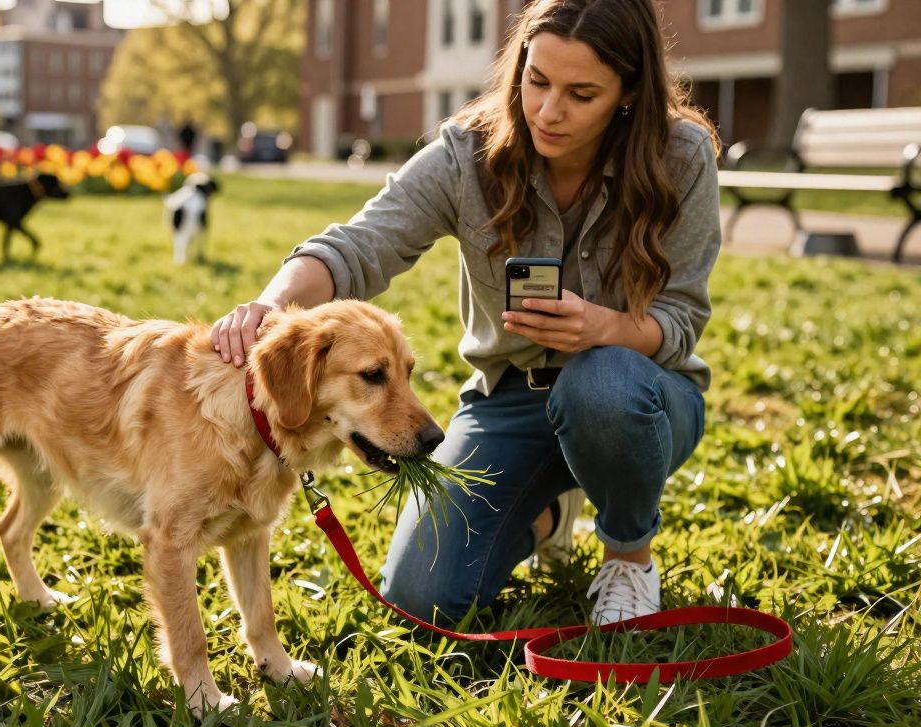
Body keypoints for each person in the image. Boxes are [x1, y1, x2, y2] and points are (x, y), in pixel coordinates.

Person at [210, 0, 721, 626]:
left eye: (581, 93)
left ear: (628, 93)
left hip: (639, 397)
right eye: (537, 81)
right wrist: (268, 305)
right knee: (420, 599)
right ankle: (548, 513)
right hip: (511, 399)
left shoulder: (683, 156)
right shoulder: (468, 156)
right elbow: (359, 245)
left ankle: (627, 557)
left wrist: (604, 328)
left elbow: (681, 316)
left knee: (601, 384)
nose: (549, 111)